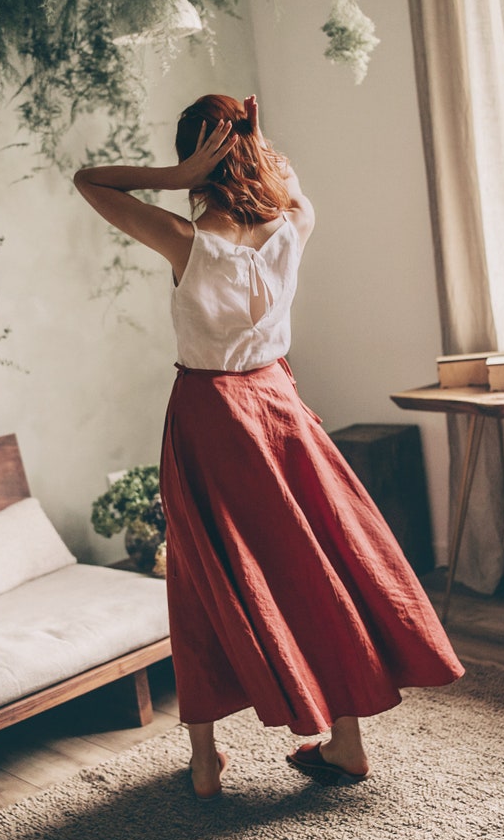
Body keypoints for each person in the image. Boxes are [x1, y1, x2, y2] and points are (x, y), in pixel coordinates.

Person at [74, 93, 464, 802]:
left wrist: (176, 173)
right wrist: (251, 149)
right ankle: (344, 739)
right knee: (315, 565)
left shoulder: (184, 241)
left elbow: (89, 180)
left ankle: (205, 759)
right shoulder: (295, 222)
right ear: (253, 150)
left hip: (211, 414)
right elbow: (288, 183)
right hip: (279, 410)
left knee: (202, 578)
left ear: (199, 157)